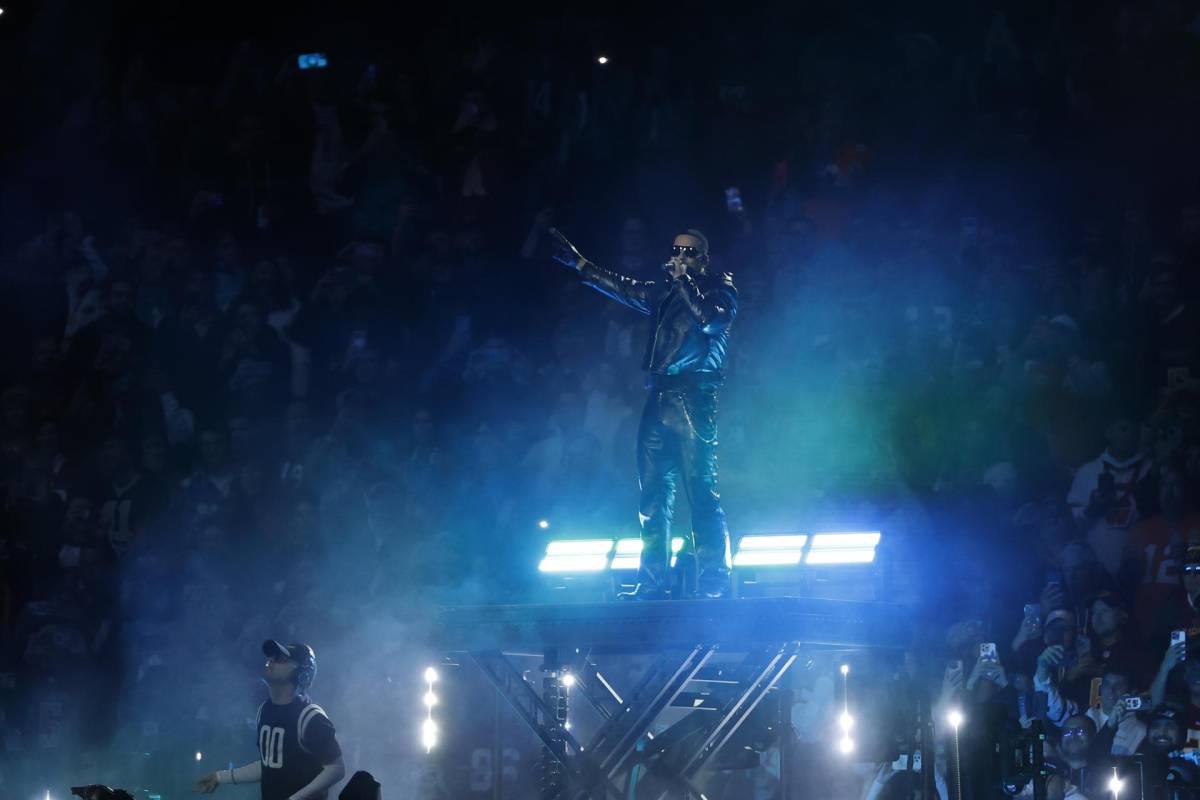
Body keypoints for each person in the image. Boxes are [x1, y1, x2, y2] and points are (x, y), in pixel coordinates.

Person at [550, 227, 738, 599]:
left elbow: (709, 321)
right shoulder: (663, 290)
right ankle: (653, 581)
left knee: (700, 489)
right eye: (675, 249)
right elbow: (625, 288)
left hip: (694, 398)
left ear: (704, 258)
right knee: (652, 496)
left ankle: (714, 574)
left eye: (689, 251)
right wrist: (581, 264)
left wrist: (685, 283)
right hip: (658, 397)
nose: (680, 255)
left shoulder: (722, 290)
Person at [195, 641, 346, 800]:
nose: (272, 661)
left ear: (302, 674)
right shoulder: (265, 711)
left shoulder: (310, 717)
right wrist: (220, 777)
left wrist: (296, 798)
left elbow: (336, 768)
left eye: (282, 660)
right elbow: (270, 765)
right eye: (273, 657)